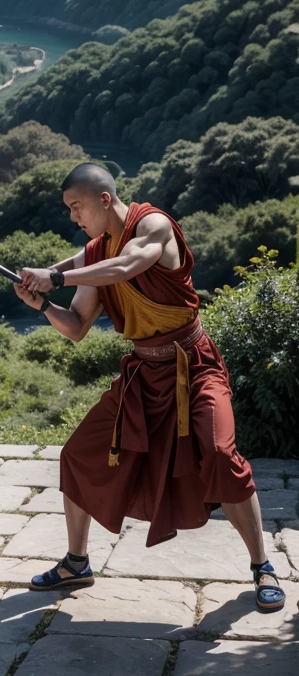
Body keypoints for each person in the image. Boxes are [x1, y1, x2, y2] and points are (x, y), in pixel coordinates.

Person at [15, 163, 285, 614]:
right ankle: (77, 561)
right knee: (77, 453)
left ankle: (263, 567)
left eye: (76, 207)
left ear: (104, 199)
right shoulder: (95, 253)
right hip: (143, 375)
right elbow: (77, 327)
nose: (73, 218)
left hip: (193, 365)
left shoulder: (153, 225)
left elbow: (126, 265)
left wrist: (58, 276)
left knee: (221, 456)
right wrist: (43, 302)